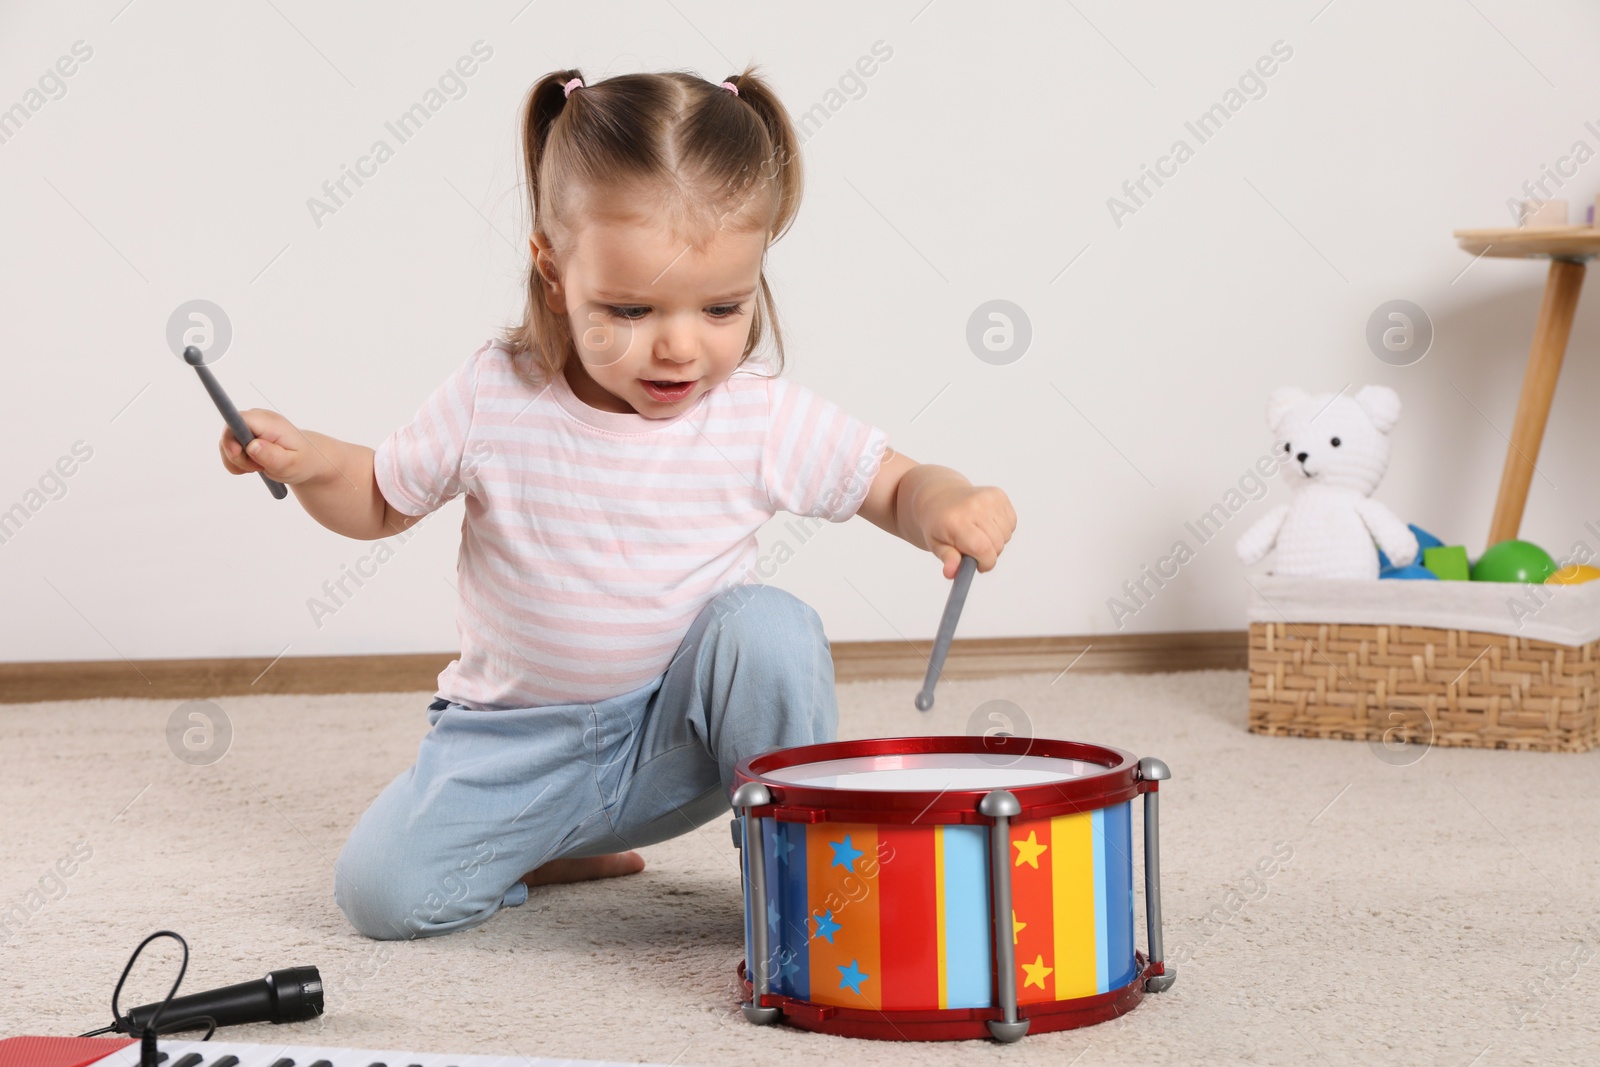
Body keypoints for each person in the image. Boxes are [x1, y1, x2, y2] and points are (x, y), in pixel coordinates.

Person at [218, 66, 1016, 941]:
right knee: (379, 897)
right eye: (630, 308)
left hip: (675, 743)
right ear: (553, 271)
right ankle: (553, 842)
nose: (678, 346)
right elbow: (378, 498)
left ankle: (802, 869)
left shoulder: (753, 412)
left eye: (721, 307)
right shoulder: (498, 391)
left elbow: (893, 482)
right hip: (511, 749)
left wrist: (947, 500)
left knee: (770, 626)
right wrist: (308, 460)